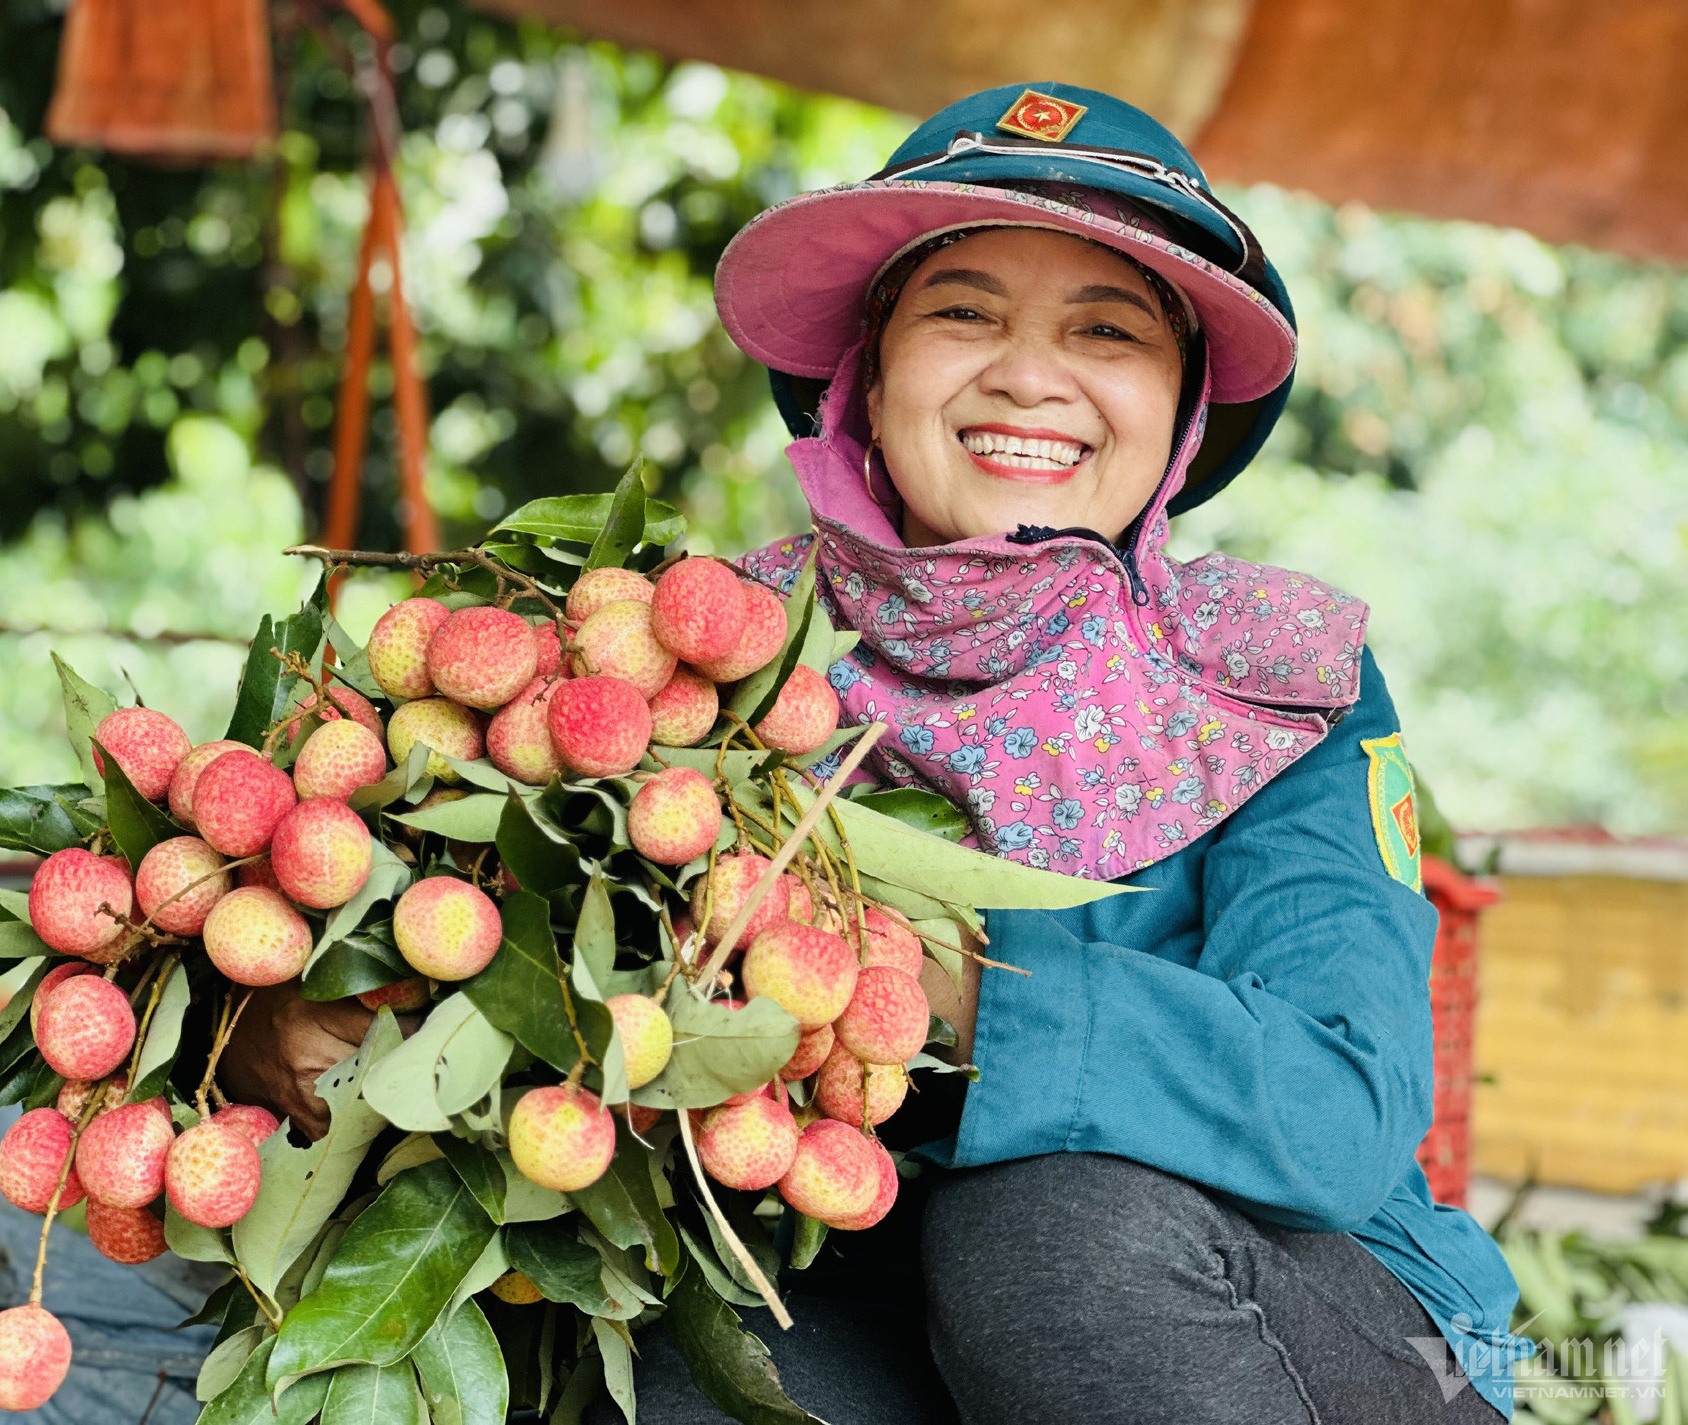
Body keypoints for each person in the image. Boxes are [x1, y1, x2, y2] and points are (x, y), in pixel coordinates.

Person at [236, 81, 1529, 1424]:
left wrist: (932, 981)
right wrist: (303, 1028)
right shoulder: (693, 662)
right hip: (879, 1288)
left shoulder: (1277, 679)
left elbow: (1339, 1100)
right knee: (701, 1356)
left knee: (1045, 1232)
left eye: (1109, 328)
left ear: (1181, 402)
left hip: (1287, 1322)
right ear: (871, 366)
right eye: (965, 311)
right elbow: (525, 998)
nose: (1030, 372)